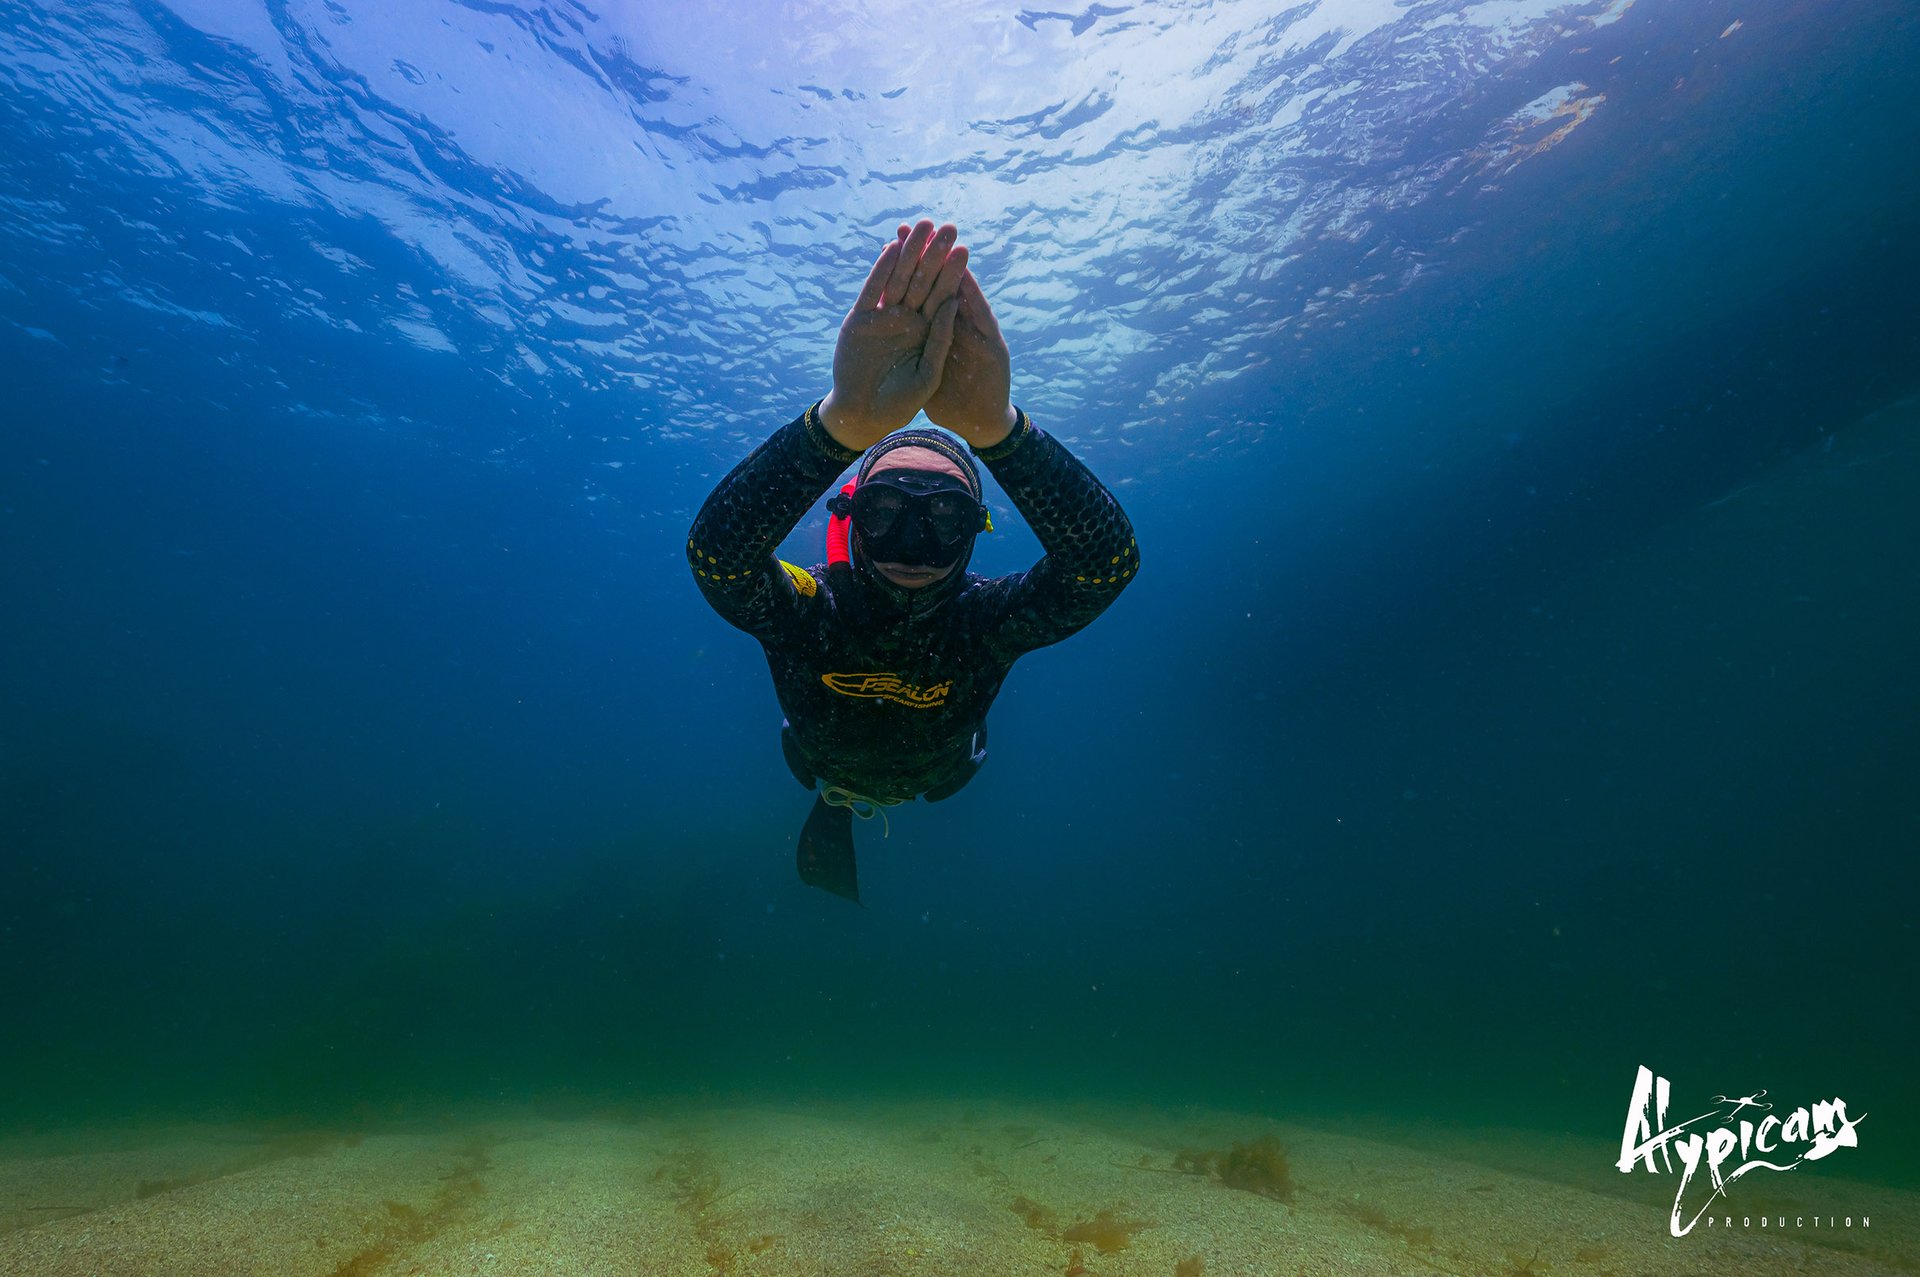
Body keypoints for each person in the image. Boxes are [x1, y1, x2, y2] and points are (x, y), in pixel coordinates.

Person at [687, 219, 1139, 902]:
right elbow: (718, 558)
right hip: (824, 760)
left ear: (974, 532)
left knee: (932, 782)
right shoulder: (813, 610)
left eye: (946, 518)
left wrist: (999, 431)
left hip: (940, 774)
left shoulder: (984, 617)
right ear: (854, 521)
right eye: (887, 513)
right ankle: (834, 801)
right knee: (834, 779)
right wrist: (839, 422)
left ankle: (838, 802)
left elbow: (1106, 564)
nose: (912, 545)